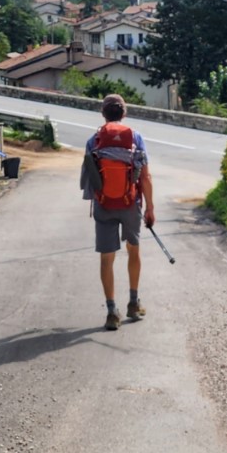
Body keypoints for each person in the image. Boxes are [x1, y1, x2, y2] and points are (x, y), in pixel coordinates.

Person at [80, 94, 156, 331]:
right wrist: (150, 208)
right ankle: (133, 303)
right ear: (124, 113)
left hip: (104, 204)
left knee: (107, 258)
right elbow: (145, 176)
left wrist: (98, 199)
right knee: (133, 250)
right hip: (130, 203)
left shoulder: (94, 140)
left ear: (103, 114)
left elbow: (89, 179)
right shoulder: (136, 137)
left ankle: (112, 311)